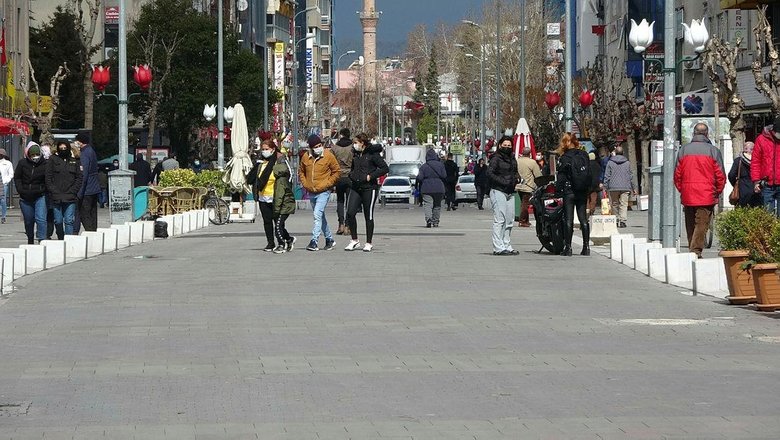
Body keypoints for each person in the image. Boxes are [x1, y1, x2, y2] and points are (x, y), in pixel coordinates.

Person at [674, 122, 725, 258]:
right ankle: (695, 251)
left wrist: (683, 189)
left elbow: (677, 175)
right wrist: (717, 192)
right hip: (706, 194)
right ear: (707, 134)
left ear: (693, 133)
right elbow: (720, 175)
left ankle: (693, 250)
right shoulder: (713, 151)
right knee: (702, 224)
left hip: (688, 193)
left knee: (690, 223)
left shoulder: (683, 150)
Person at [344, 133, 389, 252]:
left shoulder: (372, 154)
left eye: (356, 143)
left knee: (368, 215)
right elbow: (353, 168)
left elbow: (385, 168)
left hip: (369, 188)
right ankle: (354, 240)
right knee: (350, 212)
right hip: (356, 186)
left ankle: (369, 242)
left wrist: (371, 176)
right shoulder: (355, 154)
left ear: (362, 143)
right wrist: (351, 175)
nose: (354, 145)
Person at [298, 134, 340, 251]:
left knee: (317, 215)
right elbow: (301, 171)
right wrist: (305, 184)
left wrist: (328, 183)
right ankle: (329, 239)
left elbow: (336, 171)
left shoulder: (328, 156)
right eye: (315, 146)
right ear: (311, 148)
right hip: (311, 191)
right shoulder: (306, 157)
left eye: (320, 145)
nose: (318, 148)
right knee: (320, 216)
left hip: (324, 191)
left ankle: (314, 241)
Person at [556, 133, 592, 256]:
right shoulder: (584, 155)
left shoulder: (564, 157)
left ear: (565, 143)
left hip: (569, 190)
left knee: (568, 219)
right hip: (582, 190)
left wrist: (558, 190)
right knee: (583, 219)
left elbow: (560, 177)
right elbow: (589, 173)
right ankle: (586, 247)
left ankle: (568, 247)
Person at [247, 139, 284, 252]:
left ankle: (281, 242)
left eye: (267, 149)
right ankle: (270, 243)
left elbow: (284, 178)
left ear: (273, 150)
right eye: (263, 149)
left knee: (277, 221)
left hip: (275, 196)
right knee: (267, 221)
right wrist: (256, 165)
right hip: (263, 196)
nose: (264, 151)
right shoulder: (260, 163)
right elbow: (250, 179)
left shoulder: (278, 162)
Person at [487, 135, 519, 255]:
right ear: (500, 145)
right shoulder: (495, 158)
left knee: (509, 220)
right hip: (498, 190)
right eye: (504, 145)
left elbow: (515, 172)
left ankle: (506, 244)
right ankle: (498, 247)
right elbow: (489, 173)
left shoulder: (512, 158)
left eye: (509, 145)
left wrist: (517, 179)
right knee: (500, 219)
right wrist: (503, 181)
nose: (507, 147)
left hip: (510, 191)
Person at [46, 140, 82, 239]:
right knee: (57, 220)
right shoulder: (52, 160)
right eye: (61, 148)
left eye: (65, 148)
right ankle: (61, 237)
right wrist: (53, 190)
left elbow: (79, 178)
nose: (63, 150)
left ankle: (68, 241)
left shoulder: (74, 161)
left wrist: (73, 190)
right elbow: (48, 177)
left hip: (70, 195)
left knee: (69, 220)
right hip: (56, 196)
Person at [14, 142, 48, 244]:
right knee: (29, 221)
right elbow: (17, 178)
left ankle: (42, 240)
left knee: (41, 218)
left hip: (40, 195)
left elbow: (48, 178)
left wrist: (44, 189)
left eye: (37, 155)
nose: (35, 157)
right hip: (25, 197)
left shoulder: (45, 164)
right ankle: (30, 238)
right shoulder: (22, 163)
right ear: (28, 155)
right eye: (32, 155)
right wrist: (21, 190)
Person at [751, 115, 780, 216]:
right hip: (767, 183)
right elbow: (755, 162)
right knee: (767, 216)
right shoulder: (761, 139)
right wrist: (756, 181)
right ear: (773, 130)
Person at [603, 145, 636, 228]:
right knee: (624, 204)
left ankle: (616, 219)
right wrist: (634, 187)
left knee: (614, 204)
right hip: (625, 186)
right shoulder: (627, 163)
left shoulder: (610, 163)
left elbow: (607, 176)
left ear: (615, 153)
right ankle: (622, 221)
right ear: (623, 153)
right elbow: (631, 176)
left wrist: (605, 186)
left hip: (613, 187)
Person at [76, 132, 101, 231]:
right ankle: (93, 231)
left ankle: (90, 232)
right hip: (94, 187)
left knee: (84, 212)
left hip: (87, 189)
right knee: (92, 212)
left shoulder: (84, 153)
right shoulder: (91, 150)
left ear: (81, 142)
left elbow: (84, 173)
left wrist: (80, 192)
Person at [416, 148, 447, 227]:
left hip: (427, 188)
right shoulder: (440, 165)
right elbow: (444, 176)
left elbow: (420, 178)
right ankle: (436, 221)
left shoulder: (423, 167)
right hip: (439, 188)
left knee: (427, 204)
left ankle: (429, 219)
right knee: (437, 205)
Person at [331, 128, 354, 235]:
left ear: (341, 135)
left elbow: (331, 162)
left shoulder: (335, 148)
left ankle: (340, 224)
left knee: (340, 201)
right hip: (350, 176)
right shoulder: (352, 148)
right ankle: (348, 226)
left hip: (339, 176)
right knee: (349, 202)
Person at [729, 141, 762, 207]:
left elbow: (731, 175)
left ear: (744, 149)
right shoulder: (759, 161)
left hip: (742, 190)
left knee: (741, 211)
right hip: (756, 190)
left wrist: (735, 184)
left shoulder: (738, 161)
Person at [516, 146, 542, 227]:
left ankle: (526, 220)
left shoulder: (517, 161)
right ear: (529, 154)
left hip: (519, 185)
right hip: (528, 186)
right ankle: (523, 221)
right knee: (525, 204)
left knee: (523, 203)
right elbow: (538, 175)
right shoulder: (532, 162)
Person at [586, 152, 603, 217]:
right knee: (593, 198)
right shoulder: (597, 165)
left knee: (586, 198)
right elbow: (600, 174)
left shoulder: (586, 164)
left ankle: (587, 209)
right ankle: (592, 210)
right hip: (595, 184)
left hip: (587, 184)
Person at [0, 147, 13, 223]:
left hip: (3, 184)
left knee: (3, 200)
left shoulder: (8, 163)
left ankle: (3, 216)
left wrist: (6, 181)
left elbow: (11, 174)